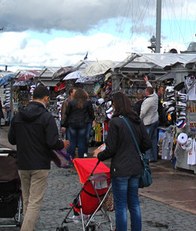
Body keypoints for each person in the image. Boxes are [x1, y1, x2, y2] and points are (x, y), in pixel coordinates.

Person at [8, 84, 69, 231]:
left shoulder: (18, 115)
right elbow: (51, 142)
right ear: (46, 98)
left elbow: (11, 139)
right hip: (40, 163)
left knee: (27, 199)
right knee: (35, 201)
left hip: (23, 162)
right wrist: (62, 144)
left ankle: (29, 226)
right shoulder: (46, 117)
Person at [93, 92, 151, 231]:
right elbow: (147, 143)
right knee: (134, 205)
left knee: (120, 206)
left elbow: (111, 149)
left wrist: (99, 156)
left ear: (115, 105)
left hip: (120, 168)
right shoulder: (136, 120)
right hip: (135, 167)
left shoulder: (115, 122)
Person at [62, 88, 94, 159]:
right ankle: (81, 157)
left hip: (72, 123)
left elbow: (67, 113)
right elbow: (91, 113)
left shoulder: (71, 102)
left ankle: (71, 157)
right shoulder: (87, 102)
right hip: (83, 122)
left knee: (72, 141)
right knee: (81, 141)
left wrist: (64, 123)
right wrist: (92, 119)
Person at [139, 86, 159, 162]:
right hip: (155, 120)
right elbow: (152, 89)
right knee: (154, 140)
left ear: (147, 92)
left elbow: (143, 112)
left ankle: (149, 157)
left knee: (147, 140)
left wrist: (139, 118)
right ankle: (155, 156)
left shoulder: (148, 101)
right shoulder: (155, 97)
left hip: (148, 122)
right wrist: (147, 81)